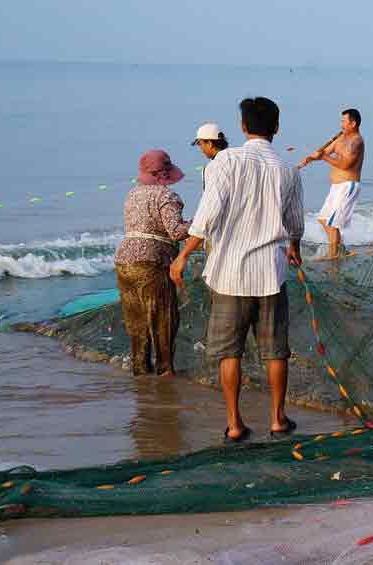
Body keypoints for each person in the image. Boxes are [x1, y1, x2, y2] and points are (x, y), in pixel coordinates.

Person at [170, 97, 305, 442]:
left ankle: (234, 423)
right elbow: (295, 224)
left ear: (243, 127)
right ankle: (277, 419)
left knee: (229, 351)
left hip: (229, 273)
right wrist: (294, 249)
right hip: (270, 274)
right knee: (276, 350)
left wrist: (183, 255)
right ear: (276, 128)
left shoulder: (225, 161)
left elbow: (208, 211)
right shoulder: (288, 170)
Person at [113, 150, 190, 378]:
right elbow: (175, 232)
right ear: (165, 175)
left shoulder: (131, 195)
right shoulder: (167, 197)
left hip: (125, 260)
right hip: (151, 261)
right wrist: (200, 224)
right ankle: (165, 372)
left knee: (137, 324)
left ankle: (140, 373)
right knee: (163, 321)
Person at [299, 109, 365, 260]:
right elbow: (326, 151)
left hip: (348, 186)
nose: (341, 124)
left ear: (353, 123)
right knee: (323, 219)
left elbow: (345, 164)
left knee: (333, 224)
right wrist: (311, 158)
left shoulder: (356, 142)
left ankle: (333, 258)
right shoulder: (340, 138)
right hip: (336, 187)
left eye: (344, 121)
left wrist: (323, 157)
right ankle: (340, 251)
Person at [191, 122, 229, 191]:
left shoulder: (211, 167)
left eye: (200, 144)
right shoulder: (237, 160)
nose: (200, 148)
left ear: (209, 143)